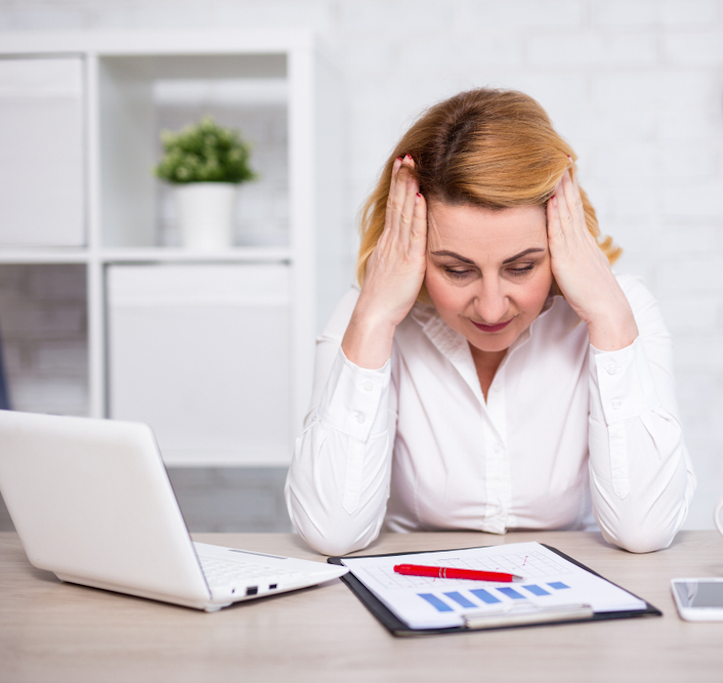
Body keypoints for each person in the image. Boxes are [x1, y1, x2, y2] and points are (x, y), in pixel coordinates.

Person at [286, 88, 695, 556]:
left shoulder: (621, 311)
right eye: (456, 271)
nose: (492, 309)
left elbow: (644, 530)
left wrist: (608, 317)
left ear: (563, 239)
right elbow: (330, 531)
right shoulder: (365, 317)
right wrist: (375, 318)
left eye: (521, 268)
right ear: (413, 247)